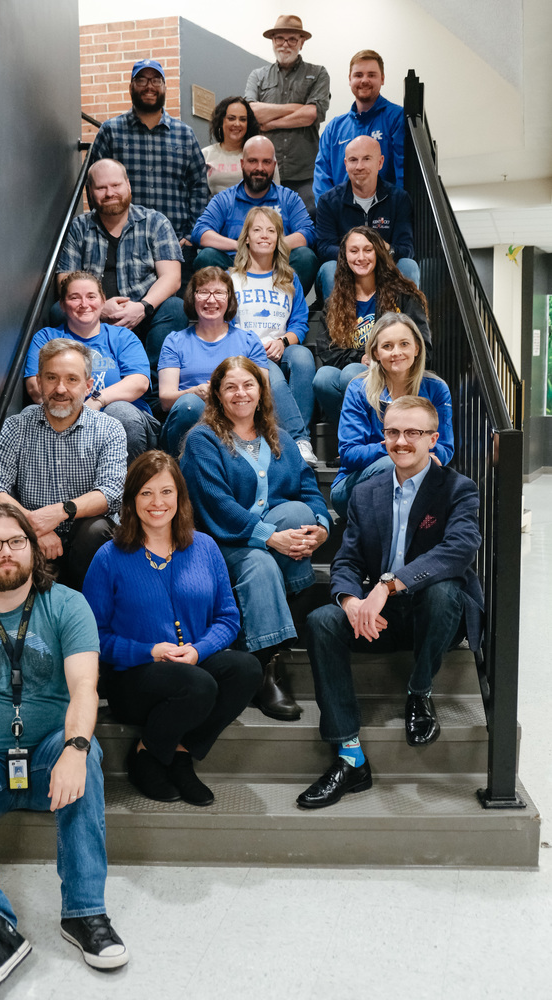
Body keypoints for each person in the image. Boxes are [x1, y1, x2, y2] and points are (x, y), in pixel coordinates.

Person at [0, 502, 128, 999]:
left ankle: (84, 913)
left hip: (47, 756)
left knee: (85, 751)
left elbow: (84, 688)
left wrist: (76, 749)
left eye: (16, 541)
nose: (5, 552)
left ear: (35, 551)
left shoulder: (68, 605)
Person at [297, 397, 483, 810]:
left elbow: (457, 552)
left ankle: (420, 690)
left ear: (433, 439)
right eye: (394, 432)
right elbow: (346, 560)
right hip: (380, 619)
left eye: (413, 433)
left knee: (443, 589)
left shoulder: (458, 489)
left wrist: (387, 586)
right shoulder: (366, 492)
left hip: (435, 618)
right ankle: (350, 756)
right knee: (321, 620)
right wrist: (349, 601)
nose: (402, 441)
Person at [83, 451, 261, 806]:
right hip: (134, 678)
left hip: (192, 664)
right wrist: (149, 651)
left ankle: (172, 752)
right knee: (197, 685)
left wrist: (198, 650)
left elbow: (228, 619)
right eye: (146, 493)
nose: (157, 502)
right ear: (132, 500)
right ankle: (146, 758)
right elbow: (92, 637)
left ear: (179, 497)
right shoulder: (109, 557)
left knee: (246, 669)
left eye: (166, 492)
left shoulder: (205, 547)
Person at [180, 356, 330, 722]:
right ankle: (267, 669)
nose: (240, 393)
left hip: (271, 535)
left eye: (248, 385)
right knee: (261, 563)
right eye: (230, 386)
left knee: (299, 514)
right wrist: (270, 537)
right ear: (217, 394)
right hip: (220, 541)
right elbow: (217, 504)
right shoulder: (203, 439)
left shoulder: (278, 436)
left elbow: (309, 489)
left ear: (262, 391)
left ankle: (260, 648)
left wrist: (322, 526)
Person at [0, 339, 126, 590]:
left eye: (71, 379)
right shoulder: (17, 427)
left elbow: (111, 493)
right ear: (38, 382)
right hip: (34, 541)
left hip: (88, 540)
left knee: (96, 529)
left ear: (88, 386)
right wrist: (34, 525)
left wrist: (59, 513)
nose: (60, 389)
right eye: (51, 378)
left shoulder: (108, 429)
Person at [157, 267, 315, 464]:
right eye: (203, 292)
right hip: (190, 421)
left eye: (219, 293)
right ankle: (182, 473)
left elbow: (261, 392)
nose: (211, 300)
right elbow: (166, 398)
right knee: (189, 405)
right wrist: (195, 391)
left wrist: (224, 396)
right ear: (193, 297)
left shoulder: (248, 341)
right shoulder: (175, 341)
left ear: (230, 298)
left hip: (237, 419)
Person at [56, 159, 187, 394]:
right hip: (95, 315)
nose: (110, 193)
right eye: (102, 188)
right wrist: (98, 308)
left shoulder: (155, 222)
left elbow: (172, 278)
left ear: (128, 185)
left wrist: (143, 307)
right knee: (57, 310)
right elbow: (65, 282)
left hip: (145, 314)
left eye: (116, 185)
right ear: (91, 192)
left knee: (175, 308)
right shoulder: (79, 227)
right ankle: (77, 385)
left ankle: (154, 392)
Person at [89, 59, 209, 285]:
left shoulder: (184, 134)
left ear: (164, 87)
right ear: (131, 87)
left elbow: (199, 187)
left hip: (176, 245)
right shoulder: (111, 131)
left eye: (155, 80)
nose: (149, 86)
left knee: (176, 310)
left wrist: (191, 234)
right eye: (141, 80)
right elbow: (93, 185)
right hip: (123, 244)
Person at [329, 311, 454, 519]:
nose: (396, 352)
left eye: (404, 344)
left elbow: (444, 449)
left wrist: (407, 455)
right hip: (354, 486)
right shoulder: (358, 388)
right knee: (392, 465)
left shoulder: (436, 389)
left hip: (414, 481)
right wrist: (397, 449)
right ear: (376, 353)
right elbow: (349, 454)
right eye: (387, 346)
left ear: (417, 348)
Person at [25, 271, 159, 462]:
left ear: (103, 301)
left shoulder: (122, 336)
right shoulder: (47, 337)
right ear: (62, 305)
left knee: (120, 411)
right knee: (30, 414)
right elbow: (35, 388)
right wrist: (79, 415)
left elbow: (139, 383)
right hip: (65, 418)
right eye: (74, 297)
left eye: (91, 296)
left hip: (126, 421)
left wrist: (97, 401)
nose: (84, 304)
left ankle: (126, 489)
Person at [314, 227, 431, 426]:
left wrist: (381, 358)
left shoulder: (403, 295)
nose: (361, 257)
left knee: (352, 374)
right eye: (354, 251)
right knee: (324, 378)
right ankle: (356, 433)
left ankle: (379, 433)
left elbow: (422, 344)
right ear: (345, 257)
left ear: (378, 252)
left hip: (393, 372)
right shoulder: (336, 303)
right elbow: (328, 351)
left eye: (368, 250)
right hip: (355, 369)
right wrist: (361, 357)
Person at [190, 135, 318, 296]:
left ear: (274, 165)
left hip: (277, 269)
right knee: (207, 257)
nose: (260, 168)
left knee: (306, 257)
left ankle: (286, 307)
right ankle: (226, 310)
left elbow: (307, 232)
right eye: (253, 161)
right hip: (235, 266)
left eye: (266, 162)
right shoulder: (224, 199)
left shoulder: (289, 198)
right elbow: (200, 232)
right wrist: (241, 246)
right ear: (242, 164)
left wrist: (271, 246)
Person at [231, 206, 316, 438]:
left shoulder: (288, 278)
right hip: (247, 353)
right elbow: (224, 327)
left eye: (271, 230)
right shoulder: (233, 279)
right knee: (273, 374)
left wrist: (283, 342)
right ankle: (297, 439)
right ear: (246, 238)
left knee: (303, 356)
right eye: (257, 230)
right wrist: (254, 347)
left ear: (278, 238)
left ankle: (300, 439)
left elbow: (300, 322)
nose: (264, 235)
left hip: (280, 347)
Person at [244, 14, 330, 217]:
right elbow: (252, 113)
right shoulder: (258, 76)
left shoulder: (318, 74)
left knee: (309, 224)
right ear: (273, 41)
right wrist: (296, 107)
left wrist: (270, 124)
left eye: (292, 39)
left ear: (302, 42)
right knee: (263, 226)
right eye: (280, 38)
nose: (285, 44)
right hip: (265, 172)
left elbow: (311, 114)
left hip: (305, 173)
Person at [315, 135, 419, 299]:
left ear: (380, 162)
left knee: (408, 265)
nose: (359, 166)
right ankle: (339, 323)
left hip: (385, 267)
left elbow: (406, 248)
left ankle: (403, 323)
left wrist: (376, 253)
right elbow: (324, 248)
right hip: (346, 268)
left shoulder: (399, 199)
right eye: (353, 160)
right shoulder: (328, 201)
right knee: (329, 268)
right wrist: (357, 254)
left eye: (366, 159)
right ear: (345, 164)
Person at [313, 49, 405, 201]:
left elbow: (404, 174)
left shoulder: (396, 118)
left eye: (371, 75)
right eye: (358, 75)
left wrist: (397, 212)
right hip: (341, 219)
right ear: (350, 79)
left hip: (383, 217)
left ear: (382, 79)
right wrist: (329, 214)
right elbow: (322, 178)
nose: (364, 80)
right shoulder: (334, 128)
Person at [202, 95, 278, 196]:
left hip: (256, 210)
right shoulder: (205, 155)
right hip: (216, 210)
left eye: (242, 119)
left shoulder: (262, 154)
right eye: (231, 118)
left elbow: (276, 192)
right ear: (221, 121)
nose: (237, 124)